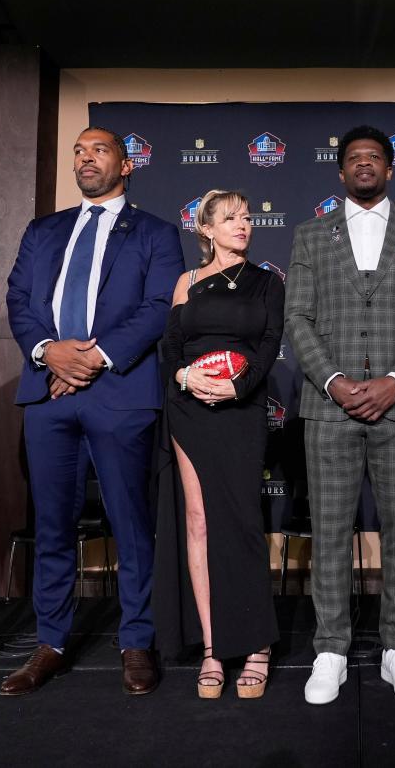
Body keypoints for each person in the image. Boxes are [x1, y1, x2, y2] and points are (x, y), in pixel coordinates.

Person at [2, 126, 185, 696]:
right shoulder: (44, 230)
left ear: (126, 166)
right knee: (53, 527)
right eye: (78, 151)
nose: (85, 158)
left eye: (98, 150)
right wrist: (48, 353)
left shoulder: (155, 232)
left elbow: (159, 307)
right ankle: (51, 643)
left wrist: (93, 358)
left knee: (130, 528)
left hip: (120, 396)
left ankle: (136, 642)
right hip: (47, 396)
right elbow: (18, 300)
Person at [285, 124, 395, 705]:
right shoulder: (309, 235)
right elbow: (296, 319)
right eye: (353, 158)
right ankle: (330, 651)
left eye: (374, 157)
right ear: (340, 171)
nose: (364, 165)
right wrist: (333, 381)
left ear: (390, 169)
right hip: (329, 409)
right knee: (329, 532)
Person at [152, 190, 284, 699]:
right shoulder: (186, 282)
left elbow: (270, 345)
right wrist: (186, 376)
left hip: (239, 406)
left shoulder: (267, 282)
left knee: (243, 522)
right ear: (205, 229)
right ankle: (211, 647)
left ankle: (256, 645)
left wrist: (237, 386)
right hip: (188, 408)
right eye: (230, 218)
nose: (243, 224)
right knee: (199, 522)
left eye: (247, 217)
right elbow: (170, 347)